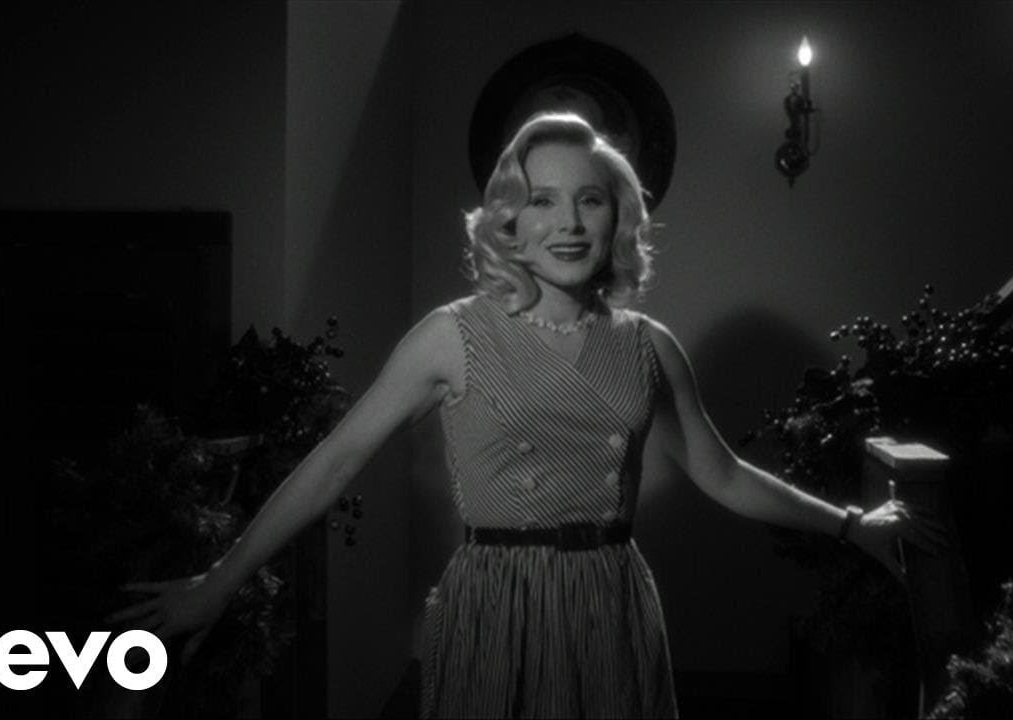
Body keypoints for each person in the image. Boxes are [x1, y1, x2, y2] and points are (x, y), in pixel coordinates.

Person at [108, 112, 945, 718]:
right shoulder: (452, 336)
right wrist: (217, 584)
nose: (568, 223)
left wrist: (850, 526)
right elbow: (334, 463)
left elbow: (722, 474)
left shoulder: (649, 346)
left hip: (613, 603)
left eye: (590, 200)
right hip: (496, 605)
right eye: (542, 201)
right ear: (508, 219)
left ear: (619, 216)